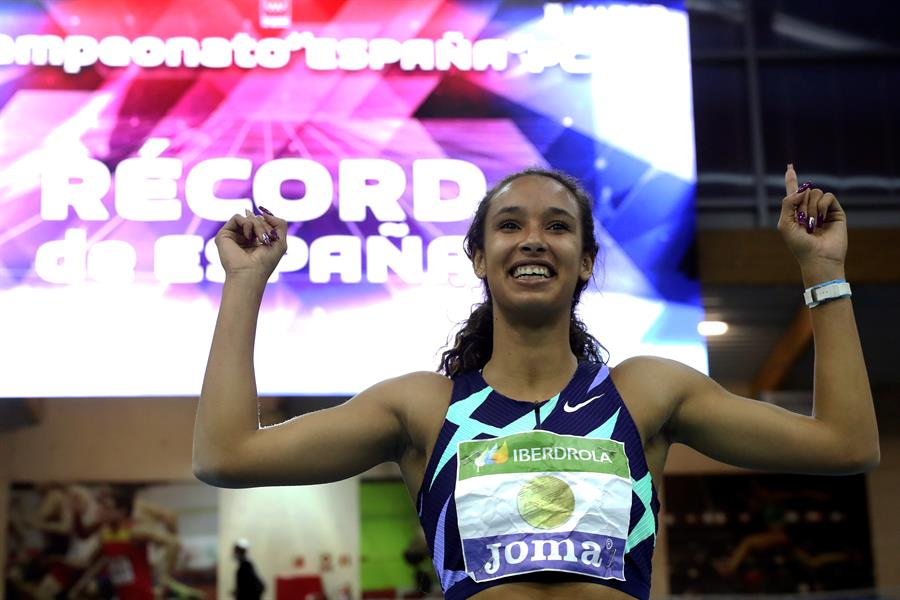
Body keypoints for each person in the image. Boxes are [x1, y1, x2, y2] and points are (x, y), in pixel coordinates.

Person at [193, 165, 880, 600]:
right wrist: (246, 282)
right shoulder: (422, 408)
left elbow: (847, 445)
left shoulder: (649, 394)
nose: (531, 239)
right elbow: (225, 456)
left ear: (584, 261)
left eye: (557, 226)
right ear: (478, 257)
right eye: (509, 225)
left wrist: (823, 270)